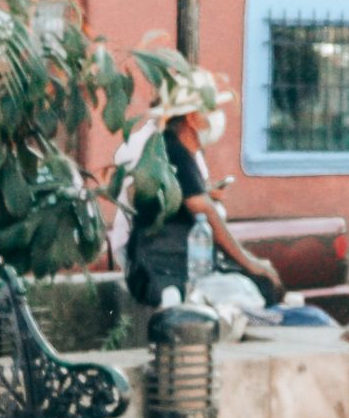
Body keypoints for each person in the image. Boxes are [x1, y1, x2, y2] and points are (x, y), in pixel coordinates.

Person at [119, 65, 286, 310]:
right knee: (262, 285)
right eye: (212, 109)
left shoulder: (175, 150)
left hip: (164, 266)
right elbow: (201, 209)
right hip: (164, 271)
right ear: (193, 118)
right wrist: (251, 262)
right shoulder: (174, 151)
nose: (217, 115)